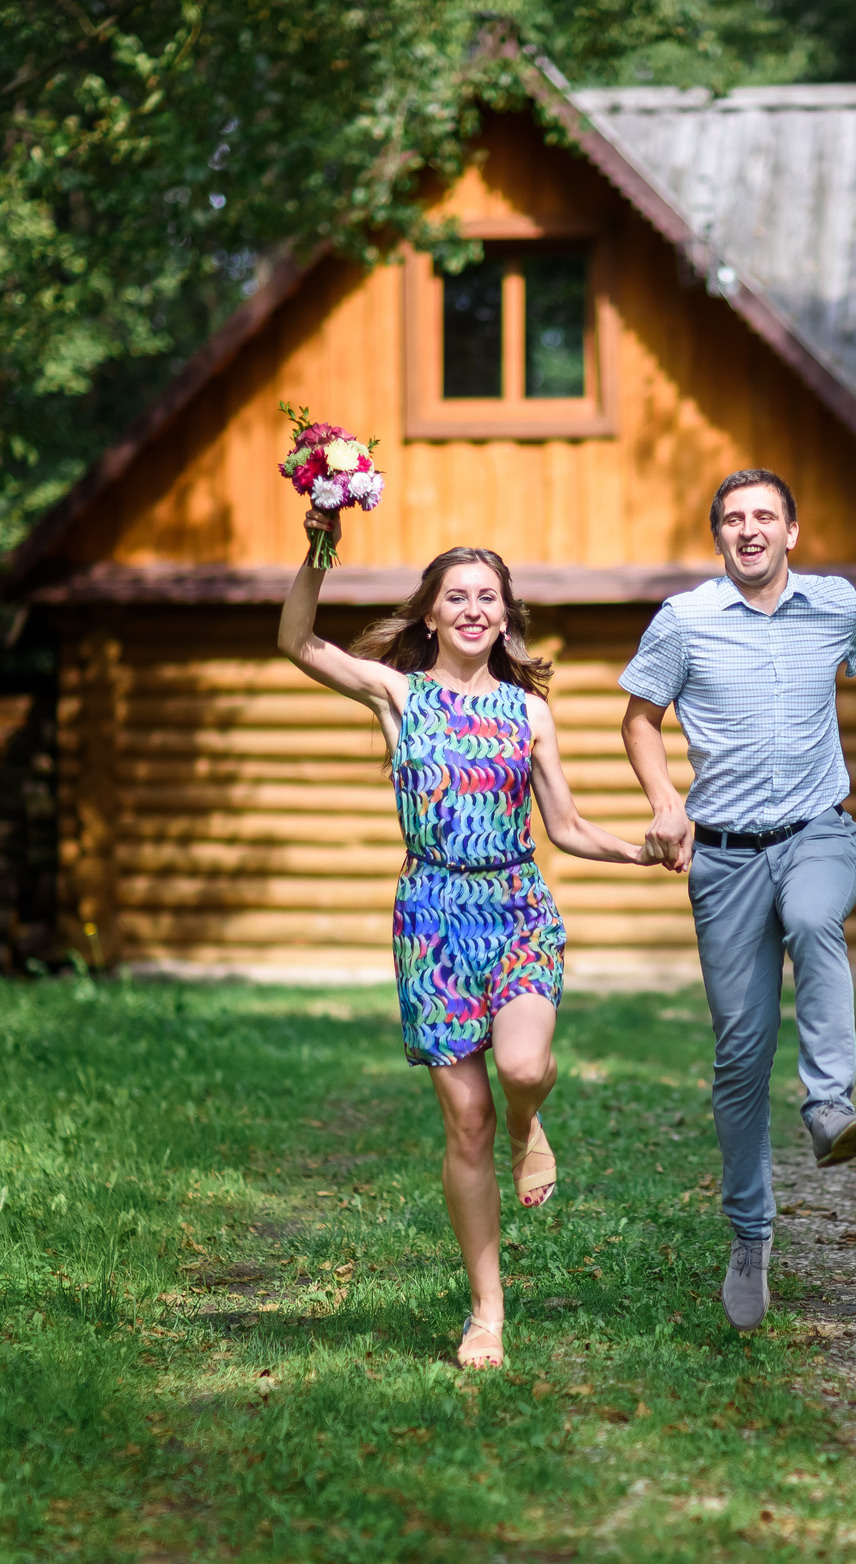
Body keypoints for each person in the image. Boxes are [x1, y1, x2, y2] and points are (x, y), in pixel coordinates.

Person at [279, 510, 652, 1370]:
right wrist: (319, 548)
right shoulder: (398, 695)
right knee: (466, 1123)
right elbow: (297, 641)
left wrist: (642, 849)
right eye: (457, 596)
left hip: (517, 905)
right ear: (431, 614)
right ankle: (488, 1311)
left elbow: (565, 826)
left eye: (489, 596)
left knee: (522, 1068)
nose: (475, 609)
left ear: (506, 615)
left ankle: (531, 1119)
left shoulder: (530, 712)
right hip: (433, 915)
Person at [617, 469, 856, 1330]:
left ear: (792, 530)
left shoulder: (833, 603)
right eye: (734, 518)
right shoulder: (684, 620)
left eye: (765, 516)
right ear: (719, 535)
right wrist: (665, 801)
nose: (749, 529)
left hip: (816, 831)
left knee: (814, 916)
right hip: (723, 859)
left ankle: (831, 1103)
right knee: (740, 1057)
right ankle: (750, 1236)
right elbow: (639, 719)